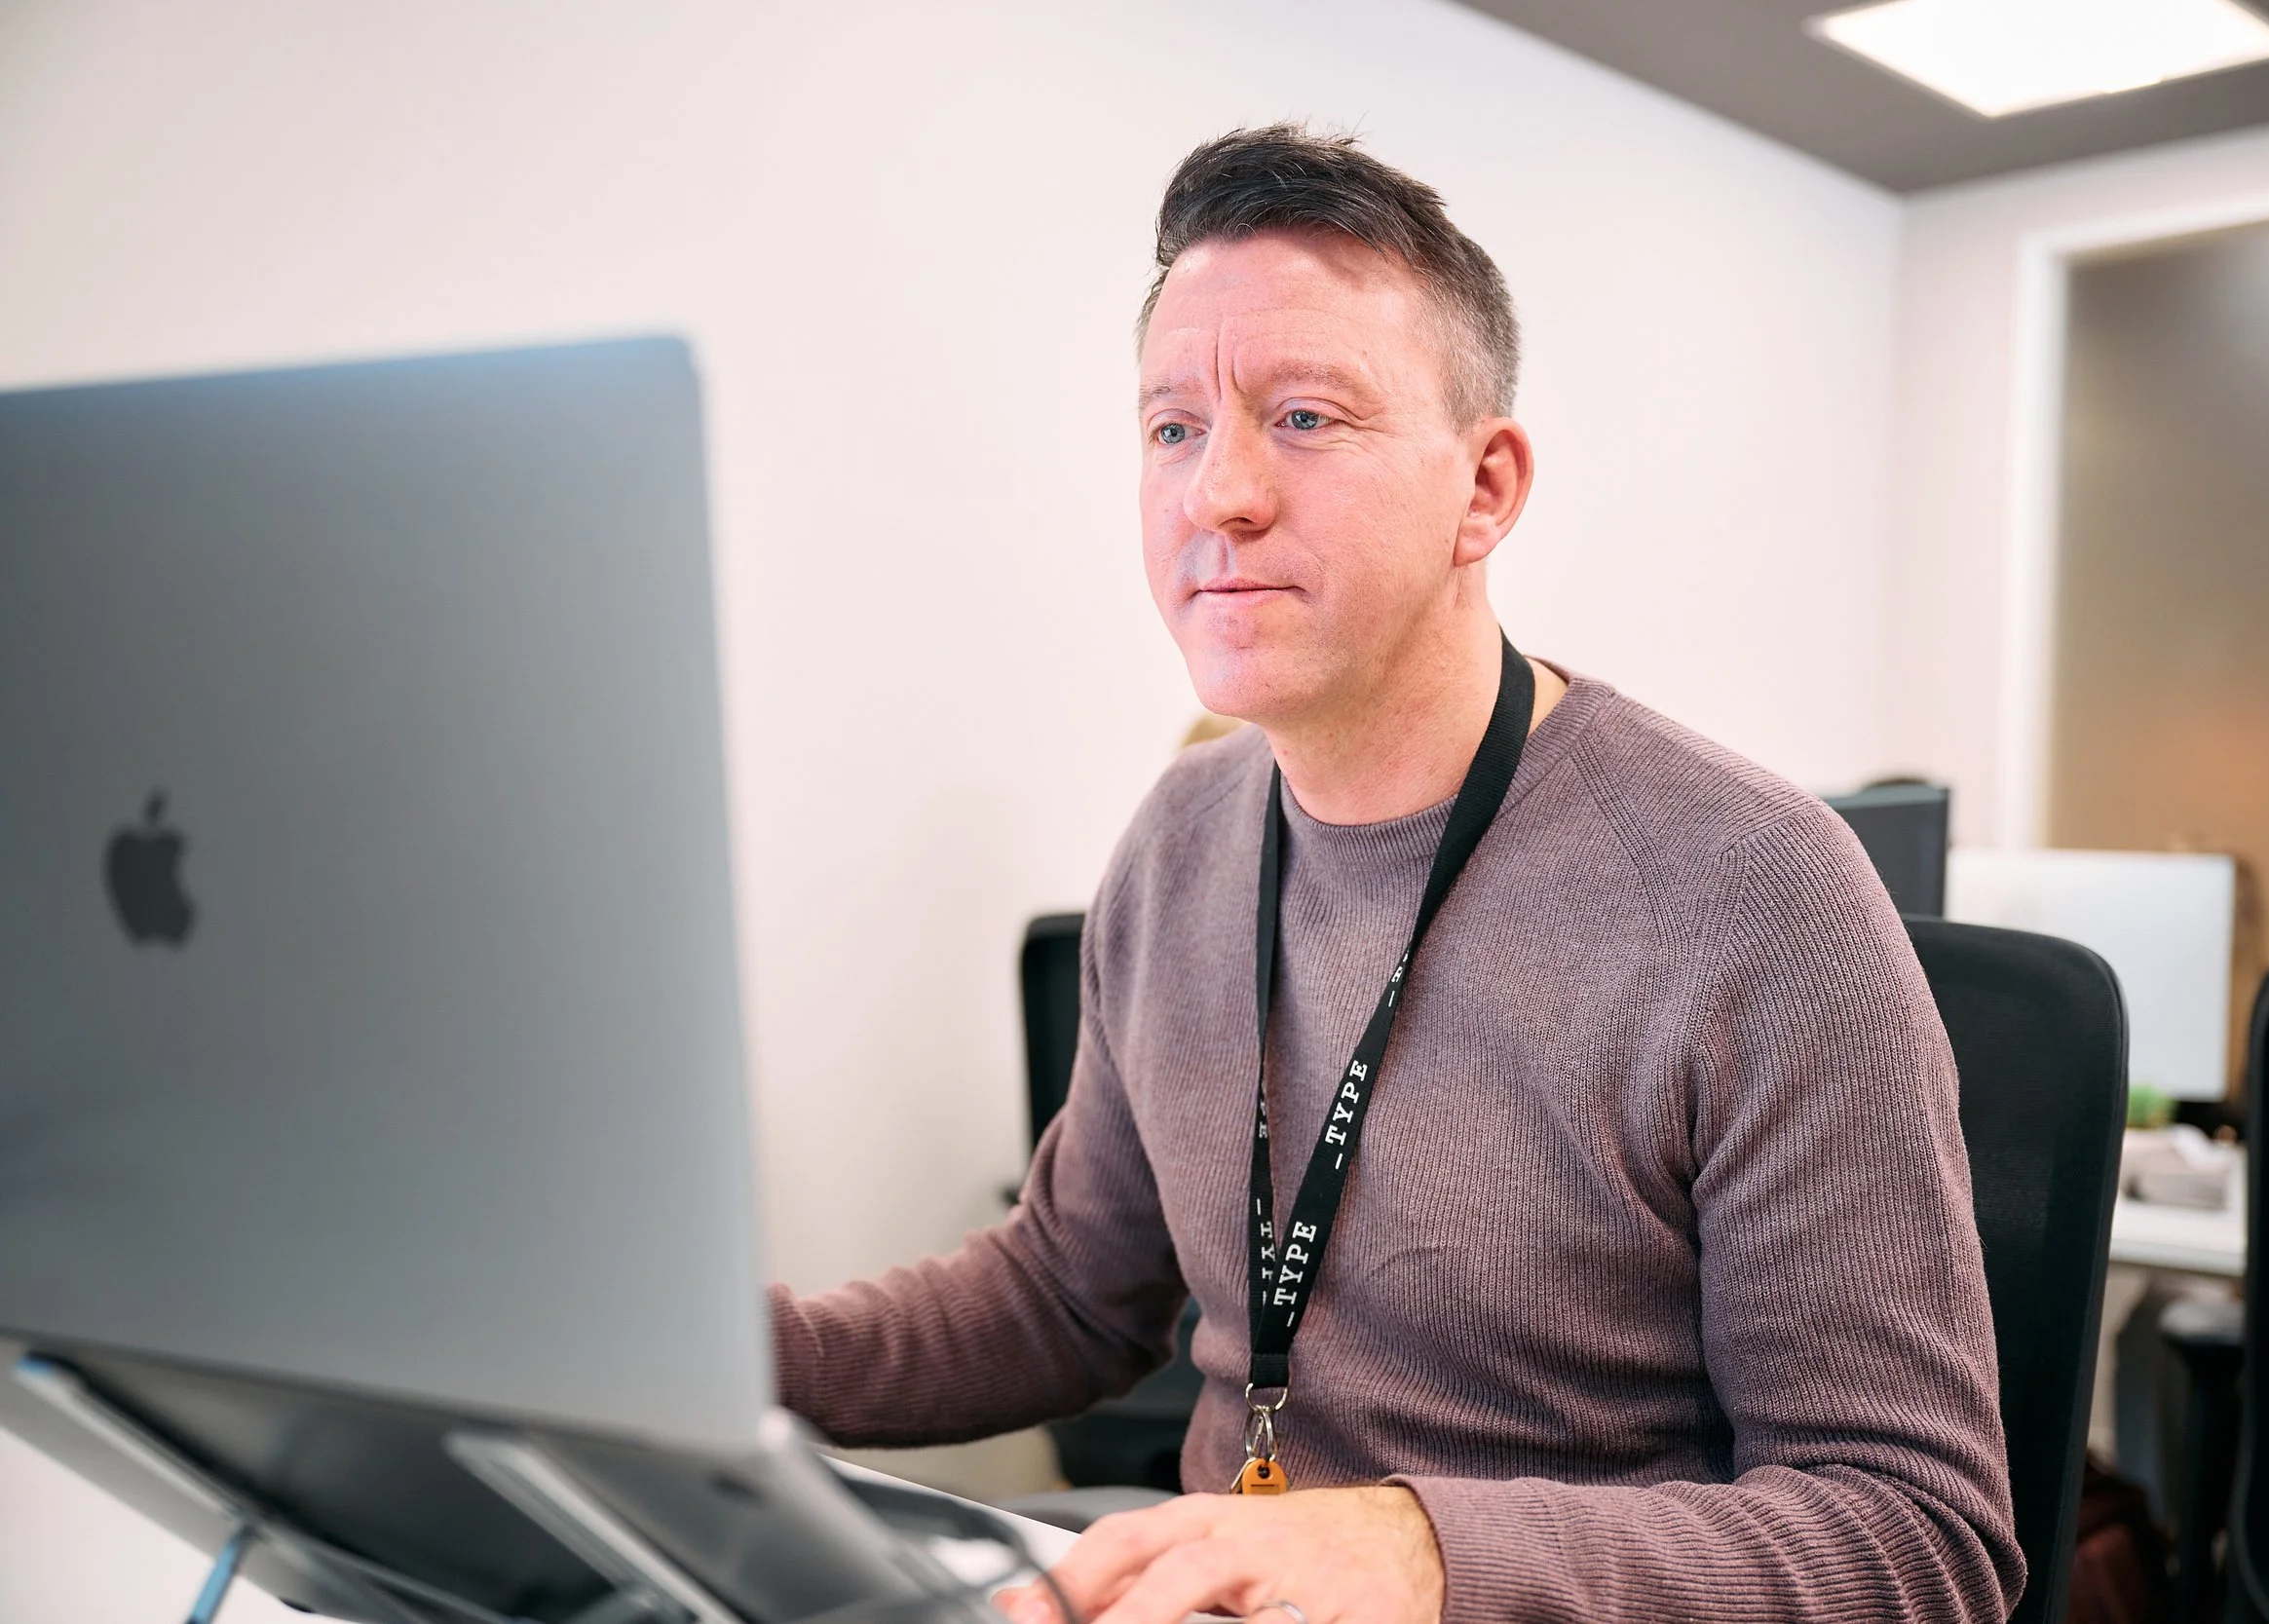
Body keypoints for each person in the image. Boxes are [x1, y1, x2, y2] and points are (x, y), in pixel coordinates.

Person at [770, 126, 2023, 1623]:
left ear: (1484, 489)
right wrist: (697, 1356)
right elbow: (1064, 1292)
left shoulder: (1755, 893)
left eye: (1303, 417)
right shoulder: (1177, 842)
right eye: (1172, 427)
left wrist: (1428, 1551)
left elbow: (1917, 1535)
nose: (1216, 493)